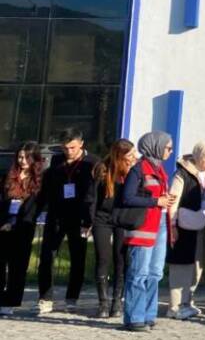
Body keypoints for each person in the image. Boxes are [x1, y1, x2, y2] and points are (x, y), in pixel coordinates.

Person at [36, 128, 98, 314]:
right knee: (47, 256)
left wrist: (89, 219)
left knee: (77, 257)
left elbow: (94, 193)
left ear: (81, 144)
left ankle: (72, 297)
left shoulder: (92, 162)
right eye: (65, 148)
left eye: (72, 147)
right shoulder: (56, 161)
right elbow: (47, 188)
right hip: (56, 214)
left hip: (79, 216)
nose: (68, 152)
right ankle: (45, 298)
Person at [120, 131, 175, 331]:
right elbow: (127, 198)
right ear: (156, 147)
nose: (170, 151)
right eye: (168, 147)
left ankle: (148, 315)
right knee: (139, 273)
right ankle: (134, 318)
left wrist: (165, 200)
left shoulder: (160, 170)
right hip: (143, 229)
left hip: (160, 224)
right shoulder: (138, 169)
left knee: (155, 273)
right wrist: (156, 201)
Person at [166, 141, 205, 320]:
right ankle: (175, 306)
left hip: (200, 228)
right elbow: (173, 201)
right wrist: (173, 226)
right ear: (197, 156)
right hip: (183, 226)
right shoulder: (182, 174)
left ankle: (188, 302)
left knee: (197, 266)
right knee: (181, 266)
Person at [90, 140, 136, 318]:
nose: (133, 157)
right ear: (119, 155)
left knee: (121, 258)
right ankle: (103, 302)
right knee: (103, 258)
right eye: (130, 154)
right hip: (102, 218)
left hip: (122, 218)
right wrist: (89, 220)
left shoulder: (132, 171)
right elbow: (92, 197)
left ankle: (117, 301)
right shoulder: (102, 169)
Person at [0, 142, 46, 316]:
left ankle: (11, 300)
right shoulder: (8, 176)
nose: (23, 160)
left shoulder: (40, 179)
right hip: (4, 225)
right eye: (20, 156)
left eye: (27, 157)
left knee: (17, 266)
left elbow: (36, 206)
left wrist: (17, 222)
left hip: (24, 226)